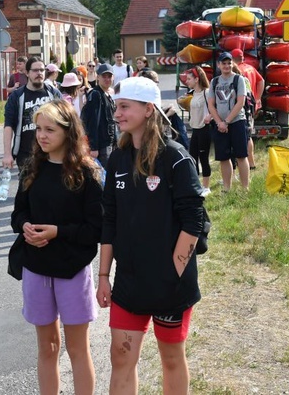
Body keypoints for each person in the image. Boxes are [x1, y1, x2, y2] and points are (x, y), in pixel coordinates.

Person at [97, 76, 204, 395]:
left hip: (171, 284)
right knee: (121, 358)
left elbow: (193, 221)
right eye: (117, 107)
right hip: (129, 284)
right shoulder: (117, 158)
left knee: (171, 358)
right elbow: (109, 220)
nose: (117, 114)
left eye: (125, 107)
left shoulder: (176, 158)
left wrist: (173, 273)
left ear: (148, 109)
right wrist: (104, 275)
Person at [10, 99, 103, 395]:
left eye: (50, 129)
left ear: (68, 132)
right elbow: (18, 214)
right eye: (38, 129)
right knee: (47, 346)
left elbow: (96, 230)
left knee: (77, 348)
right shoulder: (32, 168)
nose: (42, 135)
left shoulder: (87, 173)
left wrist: (57, 232)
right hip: (36, 267)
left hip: (72, 269)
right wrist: (24, 226)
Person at [3, 56, 62, 171]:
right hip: (26, 154)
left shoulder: (54, 94)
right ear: (27, 73)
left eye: (41, 70)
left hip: (51, 152)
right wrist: (7, 154)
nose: (39, 73)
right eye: (35, 70)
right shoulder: (17, 96)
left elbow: (65, 121)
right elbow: (8, 125)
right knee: (28, 188)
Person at [207, 52, 250, 191]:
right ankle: (227, 188)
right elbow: (211, 104)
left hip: (237, 121)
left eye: (229, 63)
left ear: (232, 64)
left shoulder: (238, 79)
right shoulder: (214, 82)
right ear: (219, 65)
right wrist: (219, 122)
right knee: (223, 157)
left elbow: (240, 102)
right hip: (220, 124)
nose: (226, 66)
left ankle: (245, 188)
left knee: (241, 156)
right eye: (223, 63)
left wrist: (226, 121)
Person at [80, 63, 117, 168]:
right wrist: (93, 147)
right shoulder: (96, 94)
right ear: (98, 77)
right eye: (104, 76)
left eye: (109, 76)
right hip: (101, 147)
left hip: (108, 145)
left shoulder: (107, 95)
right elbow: (92, 121)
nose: (107, 79)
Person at [232, 48, 263, 170]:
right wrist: (258, 98)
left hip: (242, 107)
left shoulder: (239, 71)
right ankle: (252, 162)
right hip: (251, 105)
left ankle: (245, 163)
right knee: (249, 135)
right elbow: (261, 81)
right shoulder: (251, 68)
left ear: (233, 59)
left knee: (244, 136)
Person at [185, 67, 212, 194]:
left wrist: (210, 116)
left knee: (204, 157)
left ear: (197, 79)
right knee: (193, 157)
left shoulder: (206, 93)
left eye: (189, 79)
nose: (187, 81)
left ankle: (206, 187)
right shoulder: (193, 93)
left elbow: (215, 107)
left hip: (204, 128)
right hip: (195, 129)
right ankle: (196, 184)